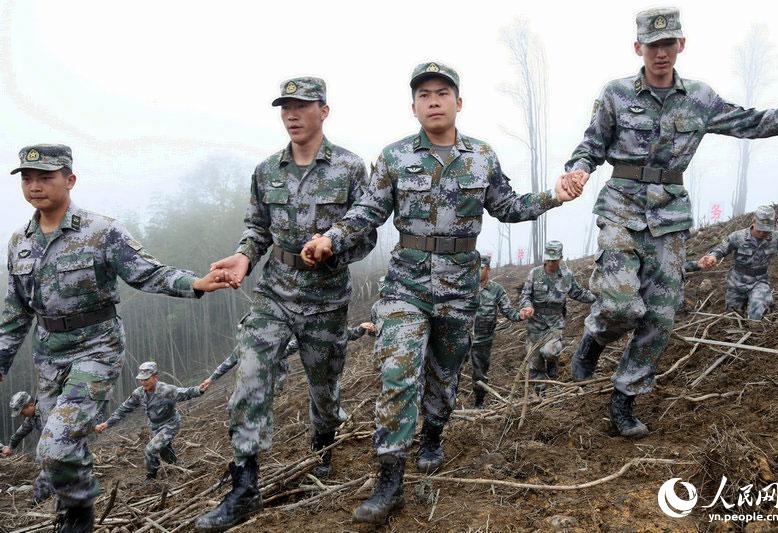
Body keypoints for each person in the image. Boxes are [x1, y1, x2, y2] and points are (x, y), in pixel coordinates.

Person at [300, 61, 580, 524]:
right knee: (398, 373)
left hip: (459, 288)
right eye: (424, 94)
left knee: (445, 375)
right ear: (413, 106)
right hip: (405, 287)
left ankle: (433, 433)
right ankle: (389, 480)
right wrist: (332, 237)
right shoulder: (393, 158)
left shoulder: (482, 156)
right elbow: (367, 210)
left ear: (458, 102)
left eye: (442, 92)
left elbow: (508, 207)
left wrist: (554, 196)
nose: (433, 100)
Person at [562, 8, 778, 439]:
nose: (661, 53)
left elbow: (753, 122)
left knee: (660, 315)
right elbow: (591, 144)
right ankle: (595, 338)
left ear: (682, 44)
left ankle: (624, 398)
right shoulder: (616, 95)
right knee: (623, 305)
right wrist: (578, 169)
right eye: (652, 45)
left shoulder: (700, 98)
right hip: (621, 209)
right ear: (637, 47)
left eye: (669, 44)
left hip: (670, 217)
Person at [0, 144, 230, 532]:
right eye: (27, 178)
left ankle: (79, 510)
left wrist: (195, 283)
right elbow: (16, 310)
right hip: (48, 357)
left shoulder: (101, 231)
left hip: (96, 350)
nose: (35, 186)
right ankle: (69, 510)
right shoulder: (19, 242)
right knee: (67, 442)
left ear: (69, 180)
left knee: (53, 447)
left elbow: (148, 272)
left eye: (45, 177)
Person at [195, 77, 376, 532]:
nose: (292, 115)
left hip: (326, 298)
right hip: (273, 293)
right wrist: (243, 256)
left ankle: (324, 445)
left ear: (324, 111)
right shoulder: (265, 171)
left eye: (302, 106)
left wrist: (334, 249)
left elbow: (367, 233)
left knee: (325, 390)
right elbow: (256, 228)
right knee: (251, 377)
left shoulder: (352, 169)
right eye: (285, 108)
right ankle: (244, 485)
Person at [95, 362, 204, 481]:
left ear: (155, 377)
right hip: (154, 426)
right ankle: (175, 465)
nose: (143, 382)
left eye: (146, 379)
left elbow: (186, 392)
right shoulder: (139, 393)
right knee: (163, 448)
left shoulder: (166, 390)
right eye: (141, 380)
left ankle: (151, 477)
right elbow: (124, 409)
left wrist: (199, 389)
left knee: (151, 449)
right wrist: (107, 423)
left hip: (170, 424)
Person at [200, 321, 375, 394]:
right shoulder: (244, 348)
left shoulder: (276, 342)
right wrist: (211, 378)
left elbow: (340, 335)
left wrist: (360, 329)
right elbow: (228, 363)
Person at [519, 241, 595, 396]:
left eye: (554, 260)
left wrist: (597, 298)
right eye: (548, 259)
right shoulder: (535, 274)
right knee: (535, 363)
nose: (551, 263)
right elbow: (525, 295)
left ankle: (552, 361)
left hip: (555, 323)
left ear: (560, 258)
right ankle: (541, 394)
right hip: (536, 324)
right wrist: (527, 306)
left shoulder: (566, 276)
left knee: (550, 352)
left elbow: (577, 293)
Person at [459, 254, 522, 408]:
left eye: (480, 269)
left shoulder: (496, 290)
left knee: (480, 374)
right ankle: (448, 402)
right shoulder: (463, 287)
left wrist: (521, 315)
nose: (476, 272)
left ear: (488, 269)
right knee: (453, 371)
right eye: (474, 268)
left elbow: (509, 311)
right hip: (461, 339)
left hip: (483, 341)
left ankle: (479, 403)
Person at [2, 391, 53, 504]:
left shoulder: (47, 409)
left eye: (22, 411)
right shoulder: (32, 418)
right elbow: (20, 433)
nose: (22, 414)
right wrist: (10, 447)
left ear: (31, 405)